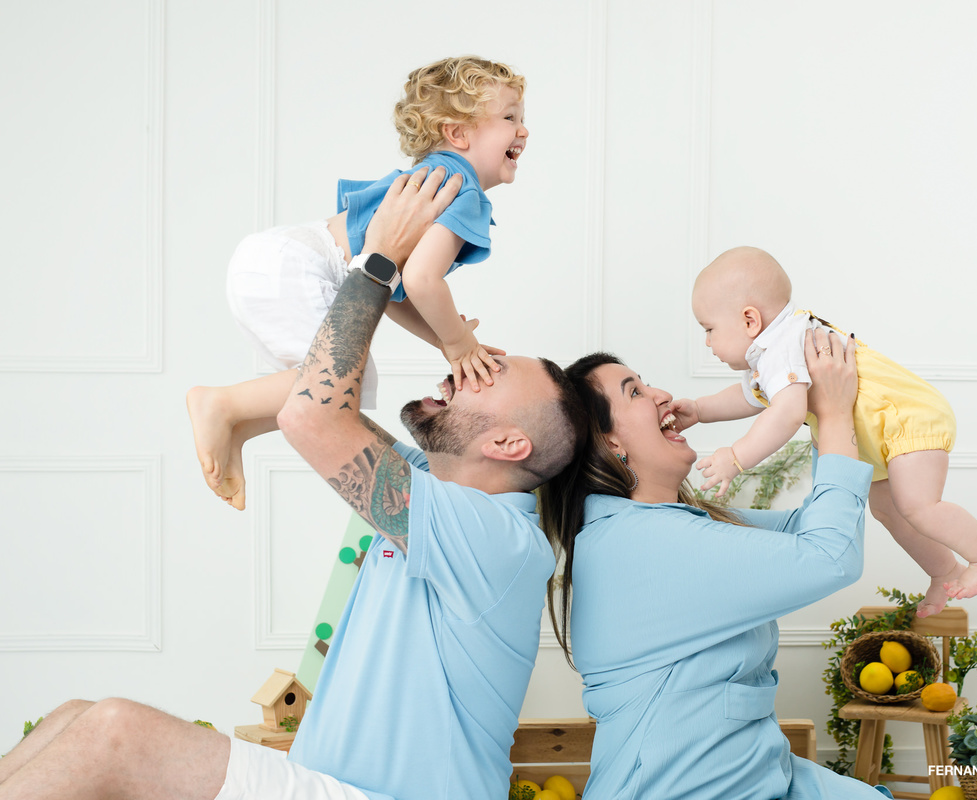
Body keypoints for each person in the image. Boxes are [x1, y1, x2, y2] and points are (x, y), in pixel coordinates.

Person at [0, 170, 584, 800]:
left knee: (115, 731)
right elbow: (314, 407)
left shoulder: (500, 538)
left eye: (488, 372)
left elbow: (313, 414)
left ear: (507, 444)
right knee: (72, 718)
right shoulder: (428, 486)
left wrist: (381, 257)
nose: (463, 365)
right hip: (317, 784)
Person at [538, 331, 894, 800]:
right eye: (635, 392)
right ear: (610, 442)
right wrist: (832, 414)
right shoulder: (640, 543)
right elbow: (829, 556)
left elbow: (820, 527)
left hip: (756, 774)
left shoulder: (667, 526)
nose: (661, 394)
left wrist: (806, 405)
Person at [187, 55, 529, 510]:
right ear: (459, 133)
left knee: (326, 390)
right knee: (346, 379)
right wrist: (459, 342)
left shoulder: (434, 175)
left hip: (274, 257)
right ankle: (221, 405)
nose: (523, 130)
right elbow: (424, 280)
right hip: (302, 265)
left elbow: (385, 291)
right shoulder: (461, 191)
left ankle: (238, 427)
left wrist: (446, 342)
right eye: (510, 118)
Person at [674, 246, 977, 615]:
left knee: (918, 505)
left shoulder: (782, 346)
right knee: (890, 512)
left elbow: (785, 414)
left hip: (904, 418)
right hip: (878, 435)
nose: (707, 343)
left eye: (709, 329)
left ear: (750, 321)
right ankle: (944, 571)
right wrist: (701, 410)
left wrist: (736, 457)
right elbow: (750, 396)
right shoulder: (774, 351)